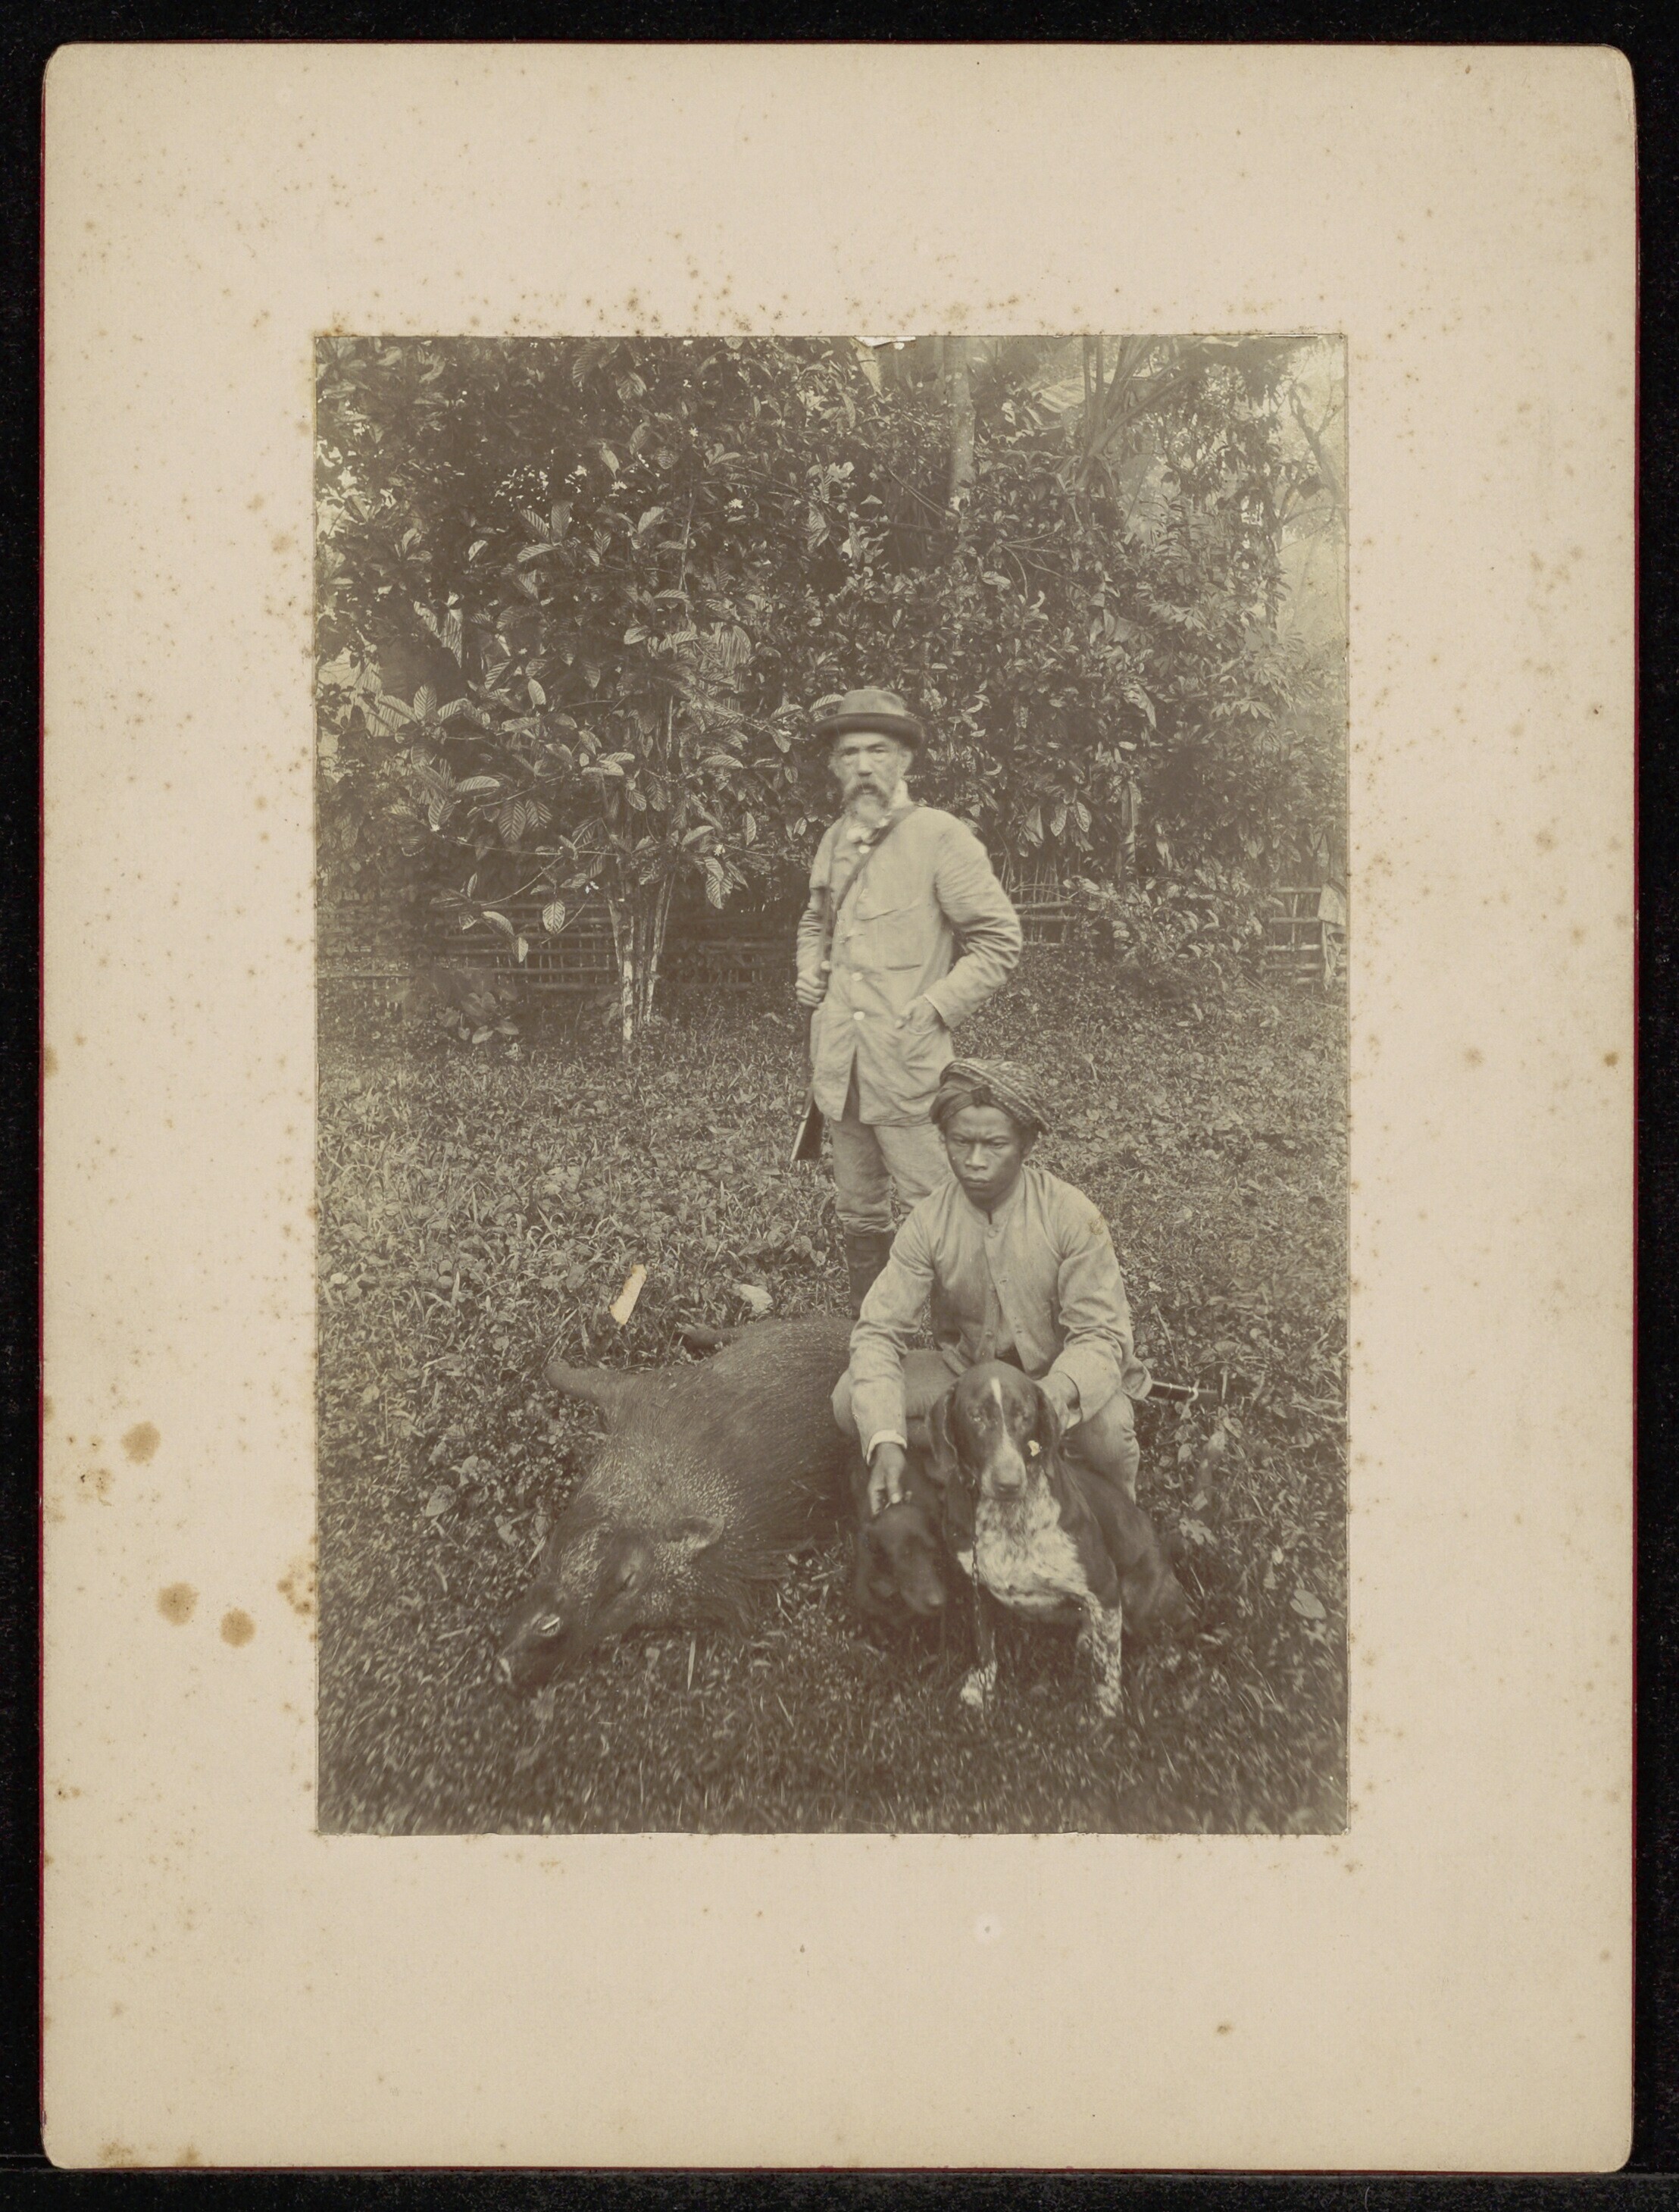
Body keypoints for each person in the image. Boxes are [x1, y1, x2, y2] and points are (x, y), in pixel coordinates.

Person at [833, 1058, 1152, 1516]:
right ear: (943, 1139)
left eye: (995, 1144)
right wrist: (885, 1440)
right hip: (969, 1376)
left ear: (1026, 1145)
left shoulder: (1072, 1214)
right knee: (851, 1401)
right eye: (961, 1142)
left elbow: (1102, 1336)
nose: (975, 1161)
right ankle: (978, 1459)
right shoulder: (928, 1222)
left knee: (1109, 1434)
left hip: (1053, 1380)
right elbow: (878, 1333)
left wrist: (1055, 1393)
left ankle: (1111, 1515)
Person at [795, 687, 1021, 1314]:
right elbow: (814, 921)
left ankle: (961, 1338)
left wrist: (936, 1007)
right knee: (858, 1207)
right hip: (840, 1066)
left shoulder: (940, 837)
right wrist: (808, 968)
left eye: (878, 751)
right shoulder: (834, 839)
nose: (863, 766)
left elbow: (1000, 940)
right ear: (835, 766)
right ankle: (871, 1328)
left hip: (908, 1065)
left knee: (935, 1204)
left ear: (904, 760)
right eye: (849, 754)